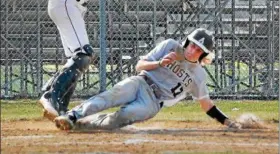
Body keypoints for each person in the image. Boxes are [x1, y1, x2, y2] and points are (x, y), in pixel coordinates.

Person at [54, 28, 241, 131]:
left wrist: (227, 122)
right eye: (192, 45)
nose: (192, 50)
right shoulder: (170, 46)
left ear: (203, 55)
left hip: (153, 102)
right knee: (111, 96)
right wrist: (160, 62)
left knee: (122, 118)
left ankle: (84, 125)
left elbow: (206, 104)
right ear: (186, 42)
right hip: (141, 82)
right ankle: (71, 115)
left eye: (198, 50)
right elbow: (139, 66)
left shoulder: (199, 75)